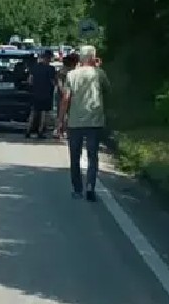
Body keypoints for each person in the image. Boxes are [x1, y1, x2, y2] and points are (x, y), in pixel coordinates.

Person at [58, 45, 110, 202]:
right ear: (93, 57)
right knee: (93, 156)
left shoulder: (72, 74)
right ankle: (90, 187)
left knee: (75, 156)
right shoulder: (99, 73)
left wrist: (60, 120)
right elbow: (108, 89)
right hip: (94, 120)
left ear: (81, 57)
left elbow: (66, 98)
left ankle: (77, 189)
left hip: (75, 121)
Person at [26, 49, 56, 139]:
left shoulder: (35, 67)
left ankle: (28, 130)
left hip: (35, 93)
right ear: (49, 58)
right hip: (46, 93)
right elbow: (53, 82)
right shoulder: (51, 69)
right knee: (43, 113)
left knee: (33, 112)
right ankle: (40, 131)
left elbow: (30, 80)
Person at [54, 52, 79, 138]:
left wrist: (62, 90)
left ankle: (60, 131)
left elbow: (58, 82)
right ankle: (65, 131)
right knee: (69, 113)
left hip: (62, 94)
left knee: (61, 113)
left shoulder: (62, 71)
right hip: (69, 94)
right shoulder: (72, 72)